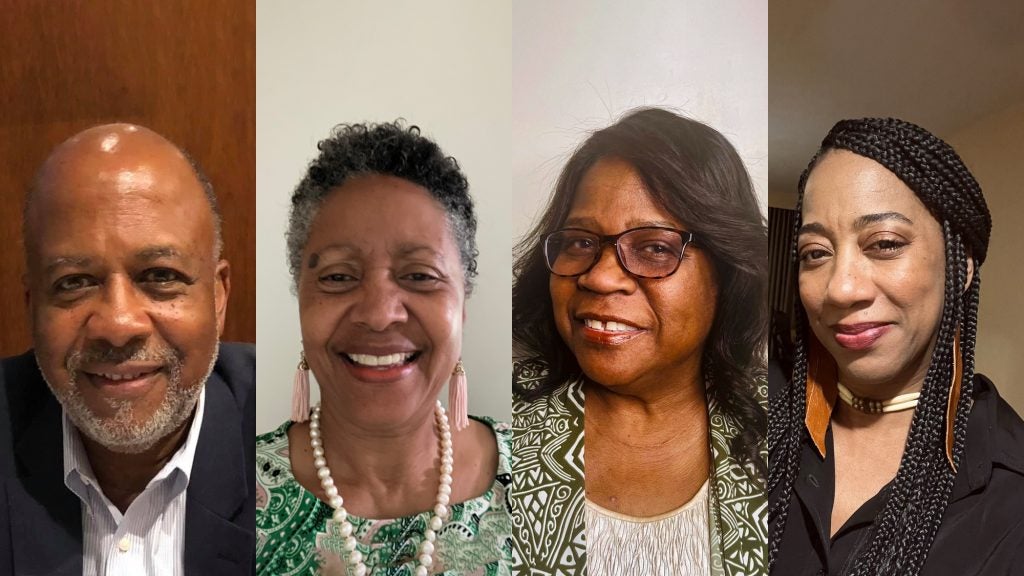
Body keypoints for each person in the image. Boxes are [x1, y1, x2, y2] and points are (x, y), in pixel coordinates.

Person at [511, 108, 768, 576]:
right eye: (580, 242)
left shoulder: (788, 433)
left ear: (727, 274)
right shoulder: (493, 435)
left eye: (654, 247)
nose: (601, 276)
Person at [768, 118, 1024, 575]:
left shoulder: (1010, 495)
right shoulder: (754, 427)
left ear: (959, 267)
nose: (840, 288)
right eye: (816, 253)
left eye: (884, 244)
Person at [255, 121, 512, 576]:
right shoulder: (228, 490)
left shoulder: (549, 480)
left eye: (419, 275)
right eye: (337, 276)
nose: (378, 314)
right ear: (301, 298)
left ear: (463, 303)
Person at [0, 124, 256, 574]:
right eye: (75, 283)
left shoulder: (287, 439)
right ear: (32, 307)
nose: (118, 325)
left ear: (218, 296)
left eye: (159, 276)